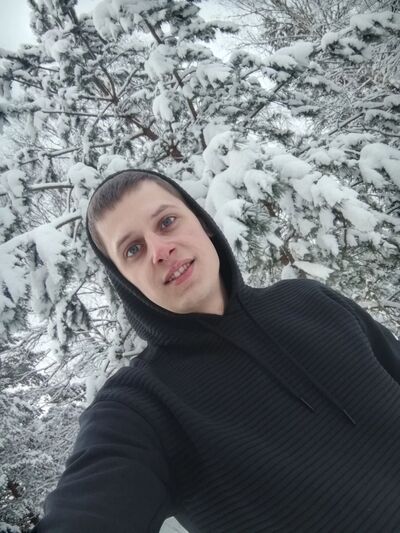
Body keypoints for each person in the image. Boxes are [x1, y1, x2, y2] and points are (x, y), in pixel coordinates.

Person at [33, 168, 400, 533]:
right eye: (133, 249)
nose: (160, 250)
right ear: (125, 282)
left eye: (166, 222)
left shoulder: (310, 300)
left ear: (203, 222)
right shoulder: (143, 404)